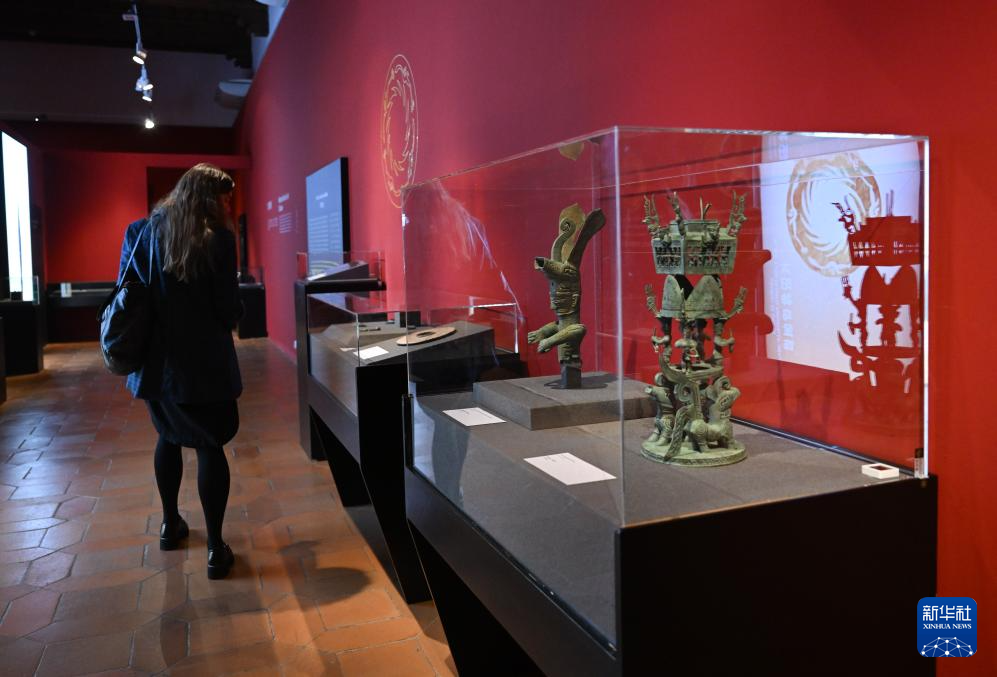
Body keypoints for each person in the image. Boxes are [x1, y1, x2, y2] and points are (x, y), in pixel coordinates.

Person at [116, 163, 243, 579]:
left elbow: (128, 292)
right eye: (224, 198)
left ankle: (170, 525)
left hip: (156, 366)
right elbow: (227, 309)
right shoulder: (218, 239)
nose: (227, 206)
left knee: (167, 437)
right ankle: (216, 549)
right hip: (205, 366)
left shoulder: (140, 232)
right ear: (207, 199)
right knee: (210, 445)